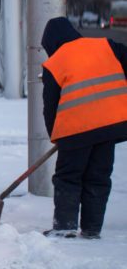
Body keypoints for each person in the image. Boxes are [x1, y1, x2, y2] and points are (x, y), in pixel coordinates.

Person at [40, 17, 127, 239]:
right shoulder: (106, 45)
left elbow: (50, 106)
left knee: (68, 177)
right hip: (110, 125)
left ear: (51, 43)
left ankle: (64, 227)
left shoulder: (55, 63)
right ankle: (92, 228)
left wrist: (56, 137)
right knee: (98, 176)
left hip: (75, 130)